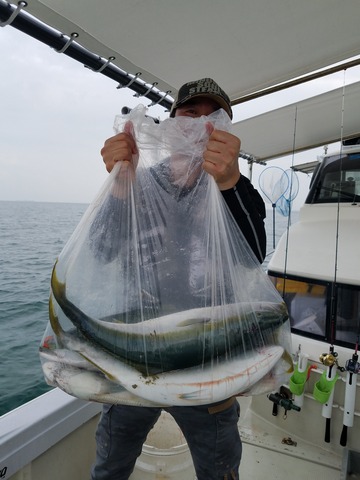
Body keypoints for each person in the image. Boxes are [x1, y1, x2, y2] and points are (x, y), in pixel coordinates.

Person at [91, 78, 266, 480]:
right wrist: (119, 181)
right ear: (170, 125)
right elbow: (101, 250)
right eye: (190, 114)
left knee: (219, 470)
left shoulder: (237, 190)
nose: (200, 125)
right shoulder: (139, 182)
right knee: (110, 466)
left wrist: (228, 183)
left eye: (213, 117)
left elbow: (252, 256)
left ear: (225, 132)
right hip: (137, 357)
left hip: (208, 362)